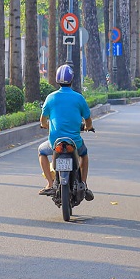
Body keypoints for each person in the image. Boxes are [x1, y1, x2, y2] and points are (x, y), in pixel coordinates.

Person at [38, 63, 94, 200]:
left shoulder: (50, 97)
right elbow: (88, 120)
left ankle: (50, 183)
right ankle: (84, 184)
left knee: (41, 151)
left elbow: (42, 120)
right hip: (74, 142)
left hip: (55, 142)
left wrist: (45, 125)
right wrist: (87, 127)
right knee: (84, 155)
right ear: (72, 80)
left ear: (57, 80)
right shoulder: (79, 98)